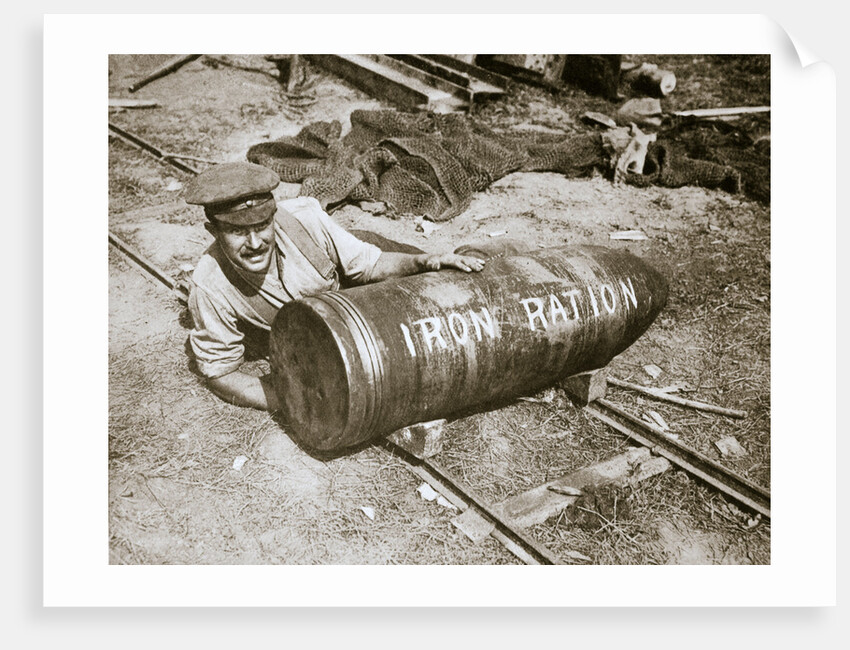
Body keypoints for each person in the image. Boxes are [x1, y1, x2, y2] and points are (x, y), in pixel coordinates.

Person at [183, 162, 486, 412]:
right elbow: (221, 371)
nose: (254, 243)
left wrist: (425, 261)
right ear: (214, 231)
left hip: (351, 271)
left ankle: (491, 257)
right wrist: (292, 400)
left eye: (262, 226)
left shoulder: (305, 218)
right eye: (237, 231)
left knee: (445, 276)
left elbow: (372, 265)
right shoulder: (210, 284)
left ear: (274, 216)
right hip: (323, 324)